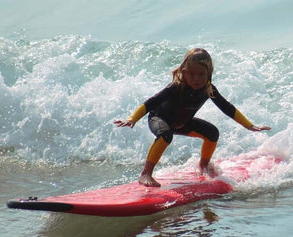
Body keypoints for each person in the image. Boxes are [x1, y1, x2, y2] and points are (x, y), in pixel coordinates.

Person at [114, 48, 271, 187]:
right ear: (183, 72)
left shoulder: (209, 89)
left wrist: (249, 126)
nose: (196, 79)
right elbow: (150, 103)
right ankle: (146, 173)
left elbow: (227, 108)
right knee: (165, 135)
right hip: (159, 119)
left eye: (201, 74)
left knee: (212, 133)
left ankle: (204, 166)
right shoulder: (176, 87)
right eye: (192, 74)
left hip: (182, 123)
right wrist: (132, 118)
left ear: (209, 74)